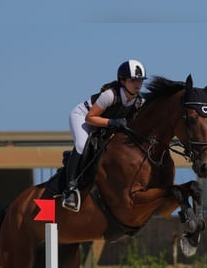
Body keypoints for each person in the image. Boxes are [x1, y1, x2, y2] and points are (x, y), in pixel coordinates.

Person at [62, 59, 147, 212]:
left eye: (140, 80)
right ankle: (70, 189)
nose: (137, 84)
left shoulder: (139, 101)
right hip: (83, 116)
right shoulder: (110, 95)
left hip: (102, 123)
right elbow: (90, 118)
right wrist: (112, 122)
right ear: (122, 80)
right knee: (82, 144)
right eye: (133, 80)